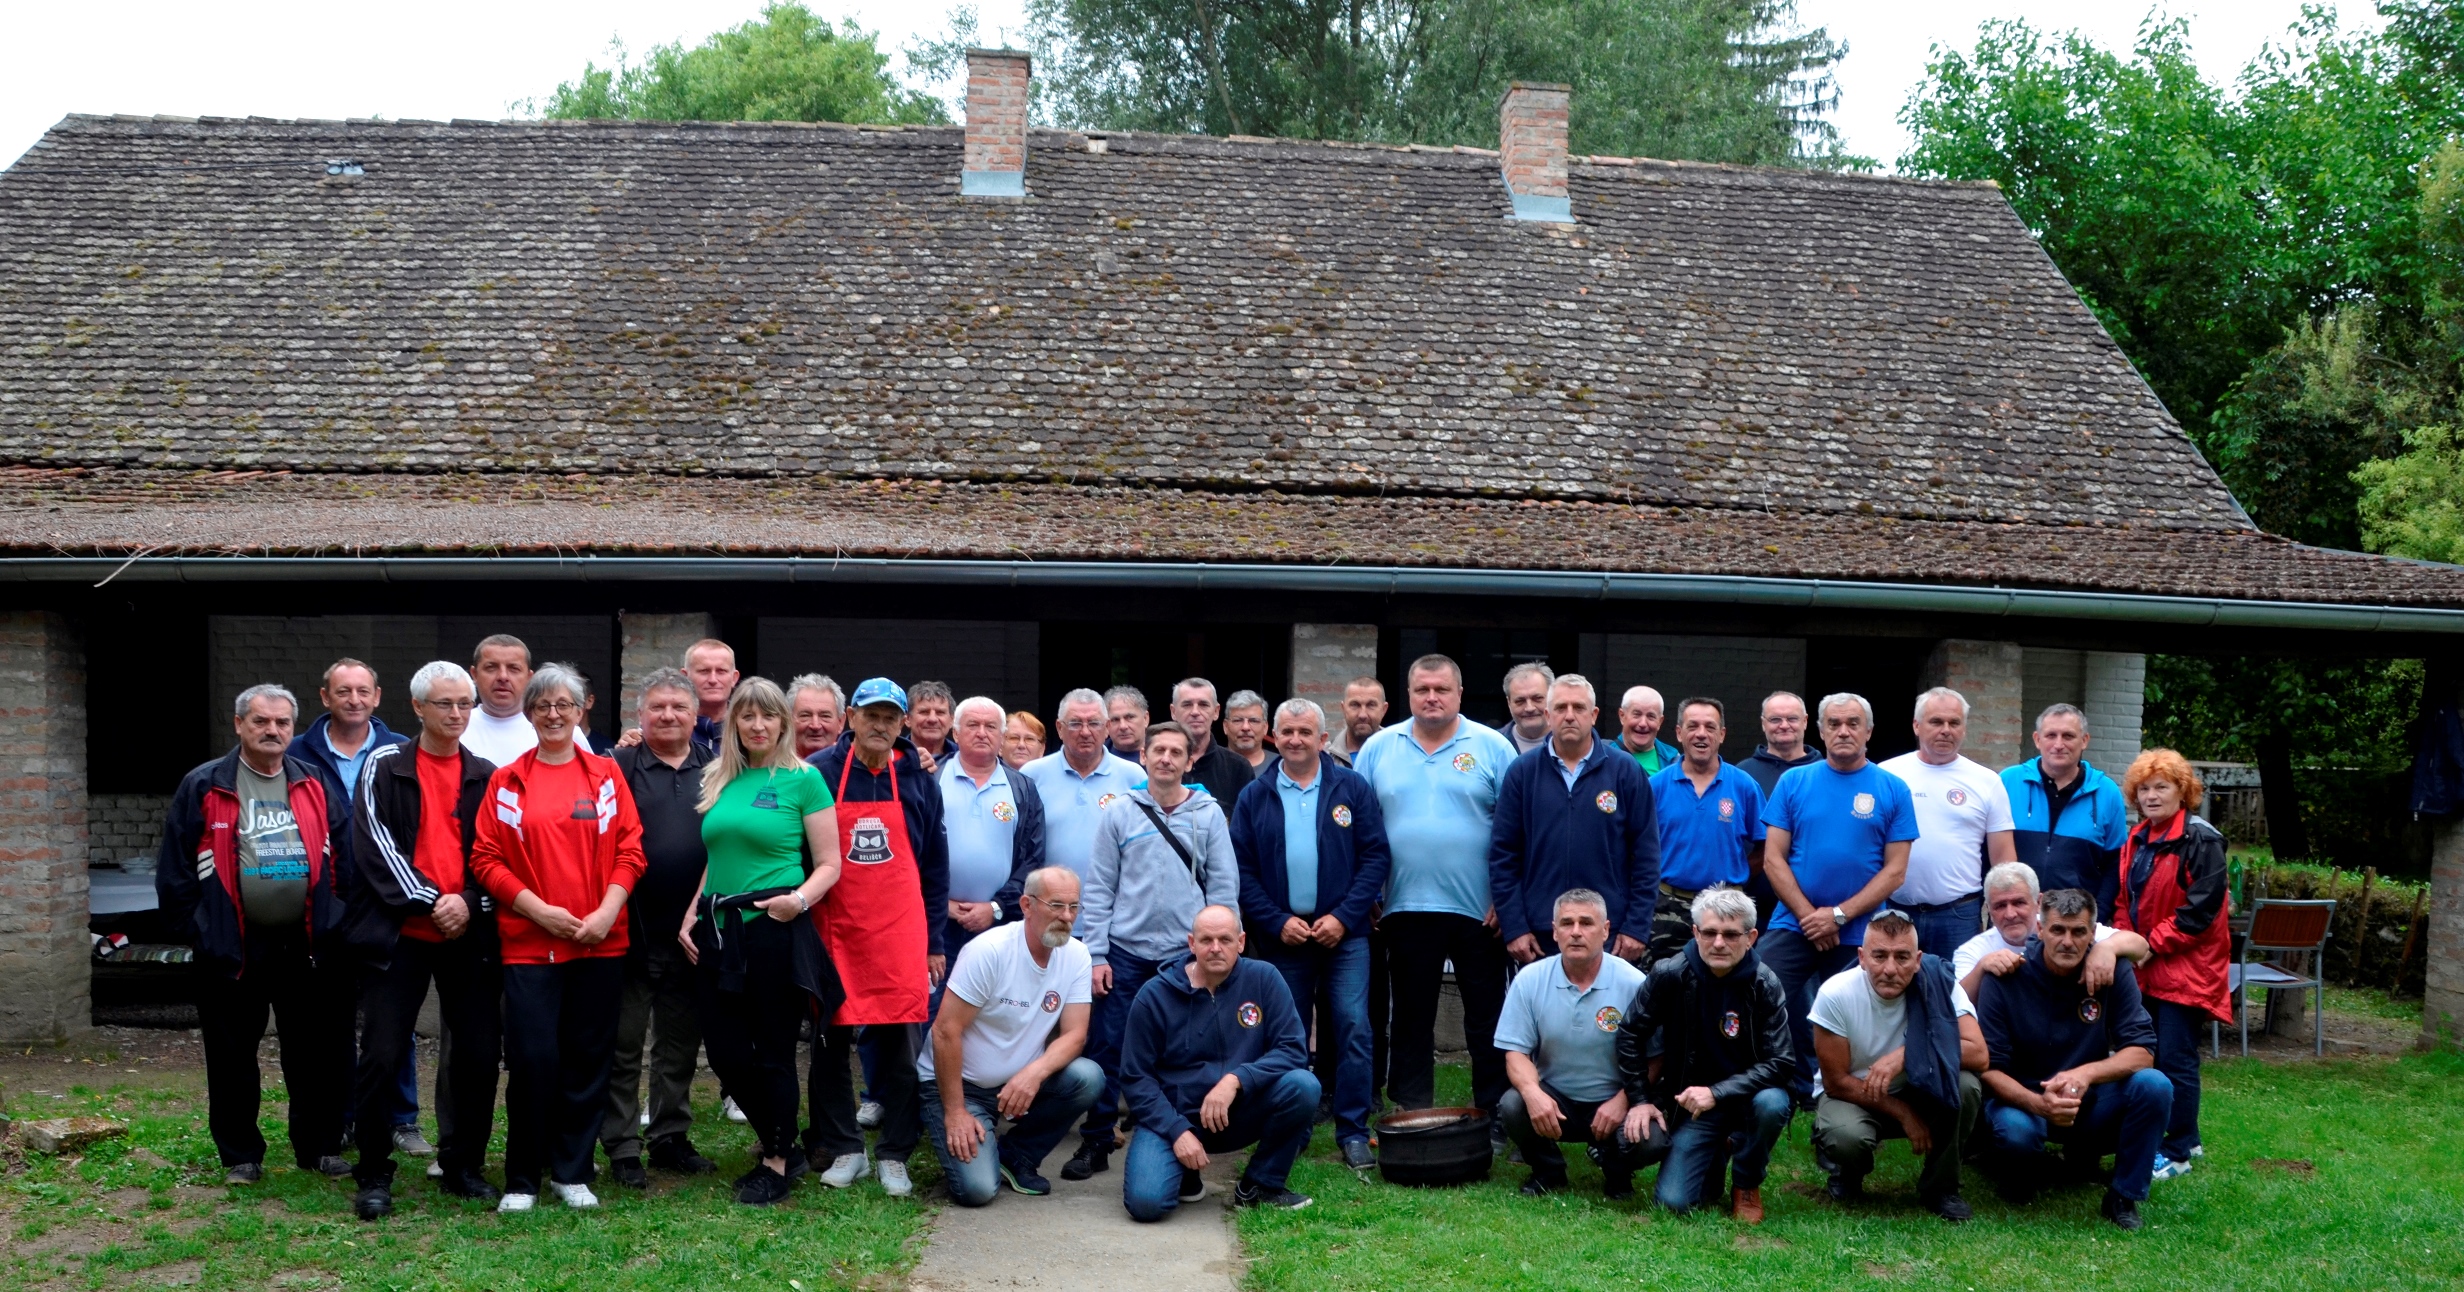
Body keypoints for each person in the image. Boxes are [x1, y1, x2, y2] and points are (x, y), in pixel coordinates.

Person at [467, 664, 648, 1212]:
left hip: (600, 941)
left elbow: (631, 850)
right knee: (532, 1060)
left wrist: (607, 913)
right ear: (529, 714)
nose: (552, 714)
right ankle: (522, 1178)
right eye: (542, 705)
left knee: (588, 1059)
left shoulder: (605, 776)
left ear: (580, 710)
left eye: (563, 705)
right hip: (530, 945)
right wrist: (538, 911)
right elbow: (486, 858)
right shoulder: (508, 781)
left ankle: (573, 1172)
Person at [157, 683, 354, 1185]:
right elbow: (175, 870)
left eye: (282, 722)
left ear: (293, 727)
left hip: (305, 943)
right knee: (231, 1056)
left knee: (314, 1054)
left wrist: (336, 919)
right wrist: (200, 931)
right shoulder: (205, 784)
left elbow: (345, 857)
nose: (272, 730)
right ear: (239, 725)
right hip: (233, 944)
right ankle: (241, 1156)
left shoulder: (313, 781)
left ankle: (320, 1147)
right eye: (261, 721)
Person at [342, 662, 504, 1218]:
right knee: (382, 1054)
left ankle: (463, 1166)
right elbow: (375, 845)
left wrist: (470, 902)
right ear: (417, 707)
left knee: (478, 1055)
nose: (457, 714)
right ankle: (373, 1172)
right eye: (444, 704)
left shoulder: (485, 774)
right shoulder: (384, 765)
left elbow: (496, 852)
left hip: (467, 934)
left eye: (464, 704)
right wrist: (435, 899)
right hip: (400, 935)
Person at [679, 677, 844, 1205]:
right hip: (718, 929)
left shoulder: (803, 780)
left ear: (782, 723)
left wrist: (798, 901)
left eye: (767, 716)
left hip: (774, 928)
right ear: (733, 723)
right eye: (746, 716)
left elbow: (830, 864)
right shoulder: (720, 777)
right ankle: (784, 1140)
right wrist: (692, 912)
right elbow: (717, 857)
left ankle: (776, 1158)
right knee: (725, 1053)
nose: (757, 726)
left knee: (773, 1051)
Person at [1070, 720, 1241, 1180]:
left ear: (1190, 761)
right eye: (1158, 750)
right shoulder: (1120, 812)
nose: (1166, 758)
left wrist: (1220, 950)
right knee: (1109, 1047)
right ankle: (1097, 1140)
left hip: (1184, 956)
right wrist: (1097, 954)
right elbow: (1100, 886)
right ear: (1143, 757)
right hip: (1125, 954)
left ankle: (1178, 1142)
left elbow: (1224, 887)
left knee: (1182, 1052)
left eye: (1176, 752)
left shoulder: (1208, 815)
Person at [1352, 655, 1519, 1124]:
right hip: (1404, 906)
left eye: (1441, 689)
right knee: (1410, 1015)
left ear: (1459, 694)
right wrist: (1365, 893)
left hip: (1481, 911)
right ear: (1408, 695)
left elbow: (1516, 830)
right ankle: (1413, 1111)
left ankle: (1494, 1110)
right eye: (1422, 689)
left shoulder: (1492, 747)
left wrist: (1506, 899)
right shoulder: (1379, 748)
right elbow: (1359, 829)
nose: (1432, 697)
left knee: (1487, 1017)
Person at [1230, 699, 1391, 1169]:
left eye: (1305, 732)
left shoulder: (1352, 788)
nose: (1295, 740)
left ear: (1323, 739)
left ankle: (1353, 1130)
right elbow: (1242, 870)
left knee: (1354, 1026)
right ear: (1274, 737)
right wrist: (1276, 921)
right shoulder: (1255, 795)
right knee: (1289, 1035)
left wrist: (1344, 916)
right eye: (1287, 732)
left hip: (1346, 936)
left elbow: (1375, 857)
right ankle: (1292, 1127)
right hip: (1286, 938)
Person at [803, 677, 947, 1197]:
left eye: (890, 717)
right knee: (828, 1044)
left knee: (902, 1048)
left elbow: (934, 865)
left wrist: (934, 942)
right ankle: (846, 1147)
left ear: (903, 723)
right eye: (871, 715)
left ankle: (895, 1153)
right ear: (851, 718)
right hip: (835, 928)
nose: (880, 725)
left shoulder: (918, 776)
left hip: (900, 931)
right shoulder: (819, 772)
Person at [1975, 888, 2172, 1230]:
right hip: (2024, 1099)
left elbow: (2142, 1052)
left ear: (2093, 934)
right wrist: (2039, 1104)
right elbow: (1989, 1069)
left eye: (2079, 931)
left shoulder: (2113, 970)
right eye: (2058, 930)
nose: (2067, 942)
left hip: (2089, 1100)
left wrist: (2085, 1074)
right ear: (2040, 929)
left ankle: (2123, 1196)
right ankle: (2018, 1172)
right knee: (2017, 1135)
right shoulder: (2005, 976)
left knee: (2155, 1086)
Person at [288, 659, 419, 1159]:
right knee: (333, 1020)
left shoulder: (402, 750)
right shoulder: (297, 753)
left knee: (394, 1020)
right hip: (328, 902)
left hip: (389, 901)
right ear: (325, 697)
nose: (354, 700)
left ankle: (401, 1119)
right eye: (343, 691)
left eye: (363, 691)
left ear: (378, 696)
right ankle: (343, 1116)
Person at [1760, 693, 1918, 1097]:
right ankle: (1766, 1091)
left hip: (1862, 931)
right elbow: (1773, 859)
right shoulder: (1794, 782)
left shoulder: (1892, 788)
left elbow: (1895, 871)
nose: (1843, 731)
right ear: (1820, 730)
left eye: (1852, 723)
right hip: (1793, 923)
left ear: (1869, 731)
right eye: (1834, 724)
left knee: (1856, 1018)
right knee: (1757, 995)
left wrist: (1838, 916)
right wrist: (1810, 916)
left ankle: (1840, 1096)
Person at [1119, 905, 1321, 1218]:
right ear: (1191, 943)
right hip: (1177, 1115)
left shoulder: (1264, 978)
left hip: (1240, 1110)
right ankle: (1184, 1172)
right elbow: (1136, 1077)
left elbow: (1292, 1048)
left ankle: (1260, 1185)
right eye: (1206, 940)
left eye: (1225, 940)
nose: (1216, 948)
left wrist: (1236, 1080)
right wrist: (1176, 1131)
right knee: (1146, 1204)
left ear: (1241, 942)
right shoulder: (1154, 995)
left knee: (1303, 1085)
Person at [921, 867, 1104, 1205]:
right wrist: (956, 1112)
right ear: (1026, 905)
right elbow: (945, 1031)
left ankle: (1017, 1154)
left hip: (1018, 1082)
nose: (1067, 917)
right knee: (977, 1191)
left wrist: (1033, 1074)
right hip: (961, 1085)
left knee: (1088, 1077)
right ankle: (969, 1129)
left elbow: (1075, 1035)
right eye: (1056, 905)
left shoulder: (1077, 955)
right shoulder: (990, 951)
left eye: (1074, 907)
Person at [601, 668, 718, 1189]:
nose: (668, 715)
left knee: (678, 1044)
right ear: (640, 714)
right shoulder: (616, 766)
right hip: (630, 930)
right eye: (657, 707)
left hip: (692, 933)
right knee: (623, 1044)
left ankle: (670, 1136)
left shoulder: (718, 769)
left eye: (679, 707)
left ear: (695, 716)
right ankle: (622, 1145)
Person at [1615, 887, 1794, 1220]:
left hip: (1751, 1100)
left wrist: (1716, 1092)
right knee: (1673, 1203)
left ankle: (1746, 1182)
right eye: (1709, 933)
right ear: (1695, 933)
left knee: (1772, 1104)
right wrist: (1640, 1100)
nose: (1719, 943)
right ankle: (1719, 1148)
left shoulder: (1765, 983)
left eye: (1731, 934)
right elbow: (1629, 1033)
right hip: (1694, 1108)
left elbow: (1782, 1062)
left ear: (1751, 937)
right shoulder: (1669, 974)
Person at [1807, 910, 1984, 1221]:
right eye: (1879, 956)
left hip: (1917, 1086)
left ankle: (1941, 1188)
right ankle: (1847, 1172)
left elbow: (1979, 1053)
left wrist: (1907, 1055)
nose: (1890, 969)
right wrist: (1904, 1114)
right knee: (1846, 1137)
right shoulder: (1835, 994)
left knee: (1966, 1085)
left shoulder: (1941, 984)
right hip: (1854, 1093)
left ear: (1918, 960)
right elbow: (1836, 1082)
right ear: (1862, 958)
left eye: (1902, 957)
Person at [2112, 749, 2231, 1184]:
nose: (2151, 796)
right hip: (2147, 964)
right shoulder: (2137, 837)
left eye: (2161, 787)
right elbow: (2124, 900)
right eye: (2144, 788)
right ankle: (2188, 1137)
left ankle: (2177, 1151)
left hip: (2187, 967)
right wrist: (2125, 941)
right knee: (2154, 1054)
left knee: (2177, 1058)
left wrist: (2150, 945)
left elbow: (2201, 911)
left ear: (2183, 791)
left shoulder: (2202, 839)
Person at [1490, 674, 1659, 967]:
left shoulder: (1625, 771)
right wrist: (1515, 927)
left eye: (1579, 707)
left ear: (1594, 715)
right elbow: (1503, 855)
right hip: (1540, 933)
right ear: (1548, 715)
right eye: (1560, 708)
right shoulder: (1522, 772)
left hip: (1608, 931)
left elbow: (1647, 855)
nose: (1569, 716)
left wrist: (1636, 927)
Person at [1495, 889, 1649, 1198]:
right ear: (1555, 931)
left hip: (1614, 1099)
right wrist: (1533, 1094)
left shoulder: (1634, 983)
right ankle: (1548, 1171)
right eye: (1567, 923)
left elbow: (1656, 1056)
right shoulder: (1530, 979)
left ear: (1605, 930)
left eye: (1586, 923)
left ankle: (1617, 1173)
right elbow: (1515, 1052)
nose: (1576, 932)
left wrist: (1623, 1101)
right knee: (1513, 1105)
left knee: (1651, 1139)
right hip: (1557, 1100)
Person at [1879, 688, 2017, 956]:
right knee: (1890, 981)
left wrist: (2004, 913)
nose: (1946, 730)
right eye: (1936, 722)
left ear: (1964, 728)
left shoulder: (1987, 781)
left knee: (1959, 982)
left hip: (1959, 915)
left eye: (1954, 723)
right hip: (1894, 910)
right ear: (1916, 726)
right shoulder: (1887, 774)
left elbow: (2004, 860)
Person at [1647, 697, 1766, 965]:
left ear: (1721, 734)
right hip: (1668, 907)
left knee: (1727, 981)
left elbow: (1767, 847)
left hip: (1727, 909)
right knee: (1665, 980)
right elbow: (1635, 847)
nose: (1701, 734)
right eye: (1693, 726)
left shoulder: (1744, 786)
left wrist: (1737, 877)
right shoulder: (1655, 786)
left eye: (1710, 727)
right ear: (1679, 733)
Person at [940, 696, 1046, 965]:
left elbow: (1033, 858)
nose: (981, 733)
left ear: (1002, 737)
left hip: (1000, 925)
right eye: (972, 725)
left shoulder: (1023, 788)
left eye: (990, 726)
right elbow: (910, 851)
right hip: (939, 924)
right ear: (955, 733)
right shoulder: (931, 779)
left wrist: (996, 907)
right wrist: (939, 903)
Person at [1953, 862, 2148, 1004]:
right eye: (2000, 906)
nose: (2010, 914)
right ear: (1988, 909)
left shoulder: (2062, 928)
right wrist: (1981, 969)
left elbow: (2141, 947)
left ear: (2038, 902)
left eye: (2019, 903)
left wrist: (2107, 947)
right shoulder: (1972, 951)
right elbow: (1955, 1008)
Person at [2002, 704, 2129, 920]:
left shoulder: (2107, 792)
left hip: (2075, 922)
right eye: (2051, 735)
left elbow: (2115, 864)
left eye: (2068, 736)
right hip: (2016, 916)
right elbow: (1987, 851)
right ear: (2037, 739)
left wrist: (2098, 915)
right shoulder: (2008, 782)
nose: (2059, 745)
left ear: (2084, 740)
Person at [1020, 689, 1146, 879]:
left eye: (1094, 723)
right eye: (1075, 723)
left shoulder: (1133, 776)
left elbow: (1144, 845)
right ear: (1059, 728)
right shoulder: (1031, 775)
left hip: (1113, 894)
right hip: (1048, 895)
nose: (1085, 732)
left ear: (1107, 728)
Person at [1739, 691, 1819, 928]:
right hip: (1750, 908)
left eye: (1792, 719)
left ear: (1805, 721)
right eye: (1775, 719)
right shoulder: (1743, 774)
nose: (1784, 725)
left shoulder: (1825, 772)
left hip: (1814, 909)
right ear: (1763, 723)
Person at [1170, 677, 1256, 802]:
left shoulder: (1239, 768)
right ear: (1173, 712)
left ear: (1216, 712)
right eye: (1187, 705)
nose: (1195, 712)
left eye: (1203, 705)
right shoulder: (1155, 764)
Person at [462, 634, 538, 767]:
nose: (503, 676)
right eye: (491, 667)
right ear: (474, 674)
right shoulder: (455, 728)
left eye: (514, 669)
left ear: (529, 678)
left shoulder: (557, 731)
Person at [683, 639, 742, 753]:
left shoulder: (748, 729)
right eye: (704, 671)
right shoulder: (670, 729)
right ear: (685, 677)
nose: (713, 680)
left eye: (721, 671)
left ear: (734, 678)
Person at [1614, 685, 1677, 775]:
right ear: (1622, 716)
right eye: (1637, 714)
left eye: (1651, 716)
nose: (1643, 724)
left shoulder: (1674, 761)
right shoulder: (1603, 757)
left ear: (1660, 721)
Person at [1499, 661, 1555, 756]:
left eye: (1537, 698)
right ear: (1509, 703)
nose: (1529, 708)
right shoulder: (1493, 743)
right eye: (1520, 701)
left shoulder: (1574, 742)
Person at [789, 674, 846, 760]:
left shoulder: (856, 764)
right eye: (805, 715)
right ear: (788, 721)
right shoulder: (771, 763)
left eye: (825, 716)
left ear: (840, 722)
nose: (815, 726)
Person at [1336, 676, 1388, 762]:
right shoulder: (1322, 757)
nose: (1362, 715)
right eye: (1355, 705)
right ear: (1343, 708)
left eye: (1371, 705)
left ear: (1384, 709)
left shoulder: (1402, 754)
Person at [1223, 690, 1273, 771]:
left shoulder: (1282, 766)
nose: (1245, 727)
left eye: (1254, 721)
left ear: (1265, 728)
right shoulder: (1209, 765)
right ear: (1225, 727)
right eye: (1238, 720)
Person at [909, 680, 959, 761]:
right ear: (908, 719)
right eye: (924, 712)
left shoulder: (964, 758)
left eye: (940, 712)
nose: (932, 719)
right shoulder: (890, 755)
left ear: (952, 720)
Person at [1103, 685, 1150, 763]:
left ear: (1145, 719)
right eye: (1115, 720)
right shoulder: (1092, 761)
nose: (1123, 726)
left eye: (1130, 717)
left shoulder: (1165, 759)